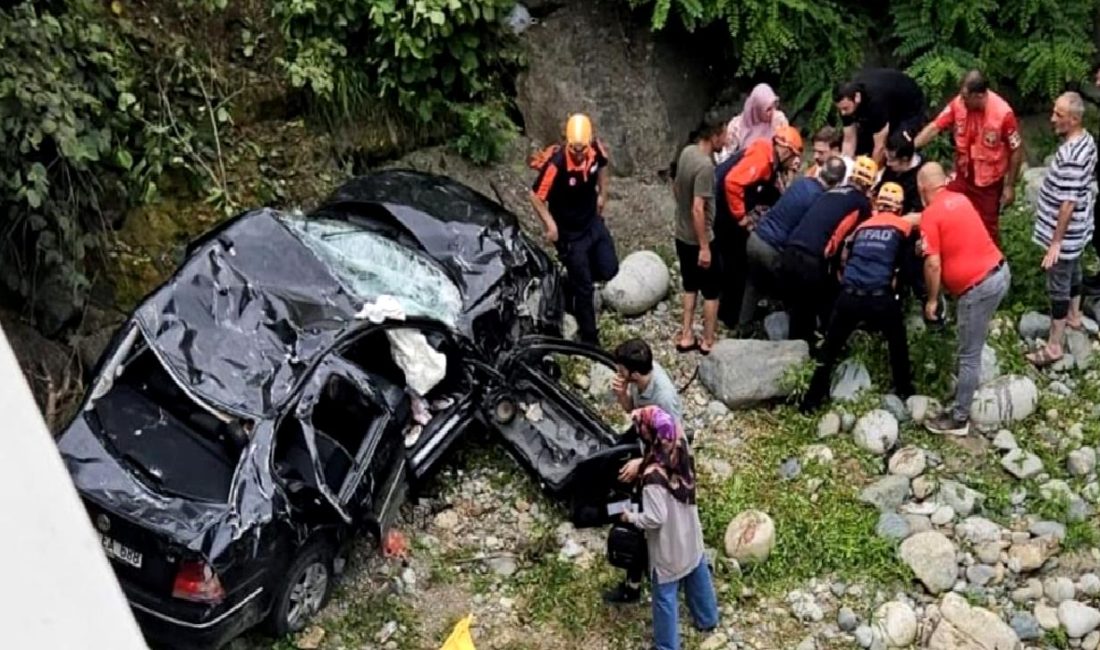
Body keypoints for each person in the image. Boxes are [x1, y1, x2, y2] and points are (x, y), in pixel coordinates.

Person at [800, 183, 917, 412]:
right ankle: (904, 390)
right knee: (897, 342)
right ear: (899, 208)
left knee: (830, 349)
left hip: (849, 296)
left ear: (877, 204)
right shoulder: (903, 227)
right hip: (880, 297)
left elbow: (844, 259)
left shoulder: (862, 228)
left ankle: (811, 401)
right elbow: (906, 267)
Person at [918, 162, 1010, 436]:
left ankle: (959, 418)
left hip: (978, 287)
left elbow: (933, 264)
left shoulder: (931, 215)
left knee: (968, 354)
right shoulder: (959, 199)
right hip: (999, 272)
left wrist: (932, 300)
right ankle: (965, 396)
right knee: (972, 342)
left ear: (923, 188)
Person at [620, 405, 718, 650]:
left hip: (669, 543)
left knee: (664, 594)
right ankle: (707, 619)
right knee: (697, 568)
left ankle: (667, 646)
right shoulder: (679, 444)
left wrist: (631, 517)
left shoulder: (654, 475)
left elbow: (655, 517)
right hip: (690, 530)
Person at [605, 338, 685, 605]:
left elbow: (674, 444)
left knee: (642, 519)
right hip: (646, 446)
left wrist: (642, 463)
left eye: (621, 369)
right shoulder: (641, 381)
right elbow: (634, 413)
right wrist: (622, 397)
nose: (618, 373)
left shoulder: (664, 397)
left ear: (635, 372)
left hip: (660, 464)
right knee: (614, 483)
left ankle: (634, 583)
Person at [530, 114, 619, 346]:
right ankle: (589, 338)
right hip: (569, 232)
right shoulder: (557, 164)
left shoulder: (595, 151)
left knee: (609, 268)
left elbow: (602, 167)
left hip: (591, 222)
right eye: (575, 149)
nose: (579, 153)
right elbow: (536, 197)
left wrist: (602, 194)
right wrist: (551, 226)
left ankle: (572, 281)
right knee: (585, 289)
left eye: (583, 148)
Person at [1026, 92, 1098, 367]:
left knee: (1058, 284)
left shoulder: (1071, 155)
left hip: (1065, 233)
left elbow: (1067, 203)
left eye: (1059, 115)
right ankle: (1075, 315)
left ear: (1075, 119)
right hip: (1079, 229)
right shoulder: (1087, 140)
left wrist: (1055, 242)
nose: (1052, 118)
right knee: (1075, 270)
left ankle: (1054, 345)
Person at [913, 70, 1024, 244]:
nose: (961, 100)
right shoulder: (959, 104)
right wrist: (911, 146)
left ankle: (992, 264)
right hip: (963, 175)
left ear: (979, 95)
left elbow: (1016, 149)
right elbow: (935, 127)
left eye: (965, 97)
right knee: (944, 205)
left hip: (988, 183)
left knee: (988, 227)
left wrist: (1010, 186)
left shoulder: (1003, 114)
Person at [781, 156, 878, 348]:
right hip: (811, 259)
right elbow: (846, 237)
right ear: (871, 184)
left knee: (798, 312)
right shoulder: (862, 204)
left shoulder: (832, 192)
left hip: (790, 251)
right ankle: (808, 357)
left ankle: (793, 353)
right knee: (810, 315)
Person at [715, 125, 804, 330]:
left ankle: (729, 308)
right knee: (735, 262)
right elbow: (732, 183)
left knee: (734, 261)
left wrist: (789, 175)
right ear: (786, 150)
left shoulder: (769, 157)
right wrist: (741, 217)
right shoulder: (762, 159)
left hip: (725, 206)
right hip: (725, 210)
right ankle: (730, 314)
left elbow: (776, 193)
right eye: (794, 157)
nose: (795, 162)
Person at [742, 156, 849, 328]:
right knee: (795, 291)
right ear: (839, 182)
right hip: (774, 249)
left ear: (821, 170)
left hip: (755, 238)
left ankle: (743, 326)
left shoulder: (801, 182)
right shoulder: (820, 200)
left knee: (754, 283)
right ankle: (785, 336)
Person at [672, 115, 729, 354]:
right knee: (711, 291)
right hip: (700, 238)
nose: (726, 139)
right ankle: (707, 339)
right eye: (724, 134)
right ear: (714, 135)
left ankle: (686, 334)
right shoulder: (705, 166)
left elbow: (675, 185)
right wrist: (705, 246)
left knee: (689, 285)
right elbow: (698, 207)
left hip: (681, 234)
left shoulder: (687, 152)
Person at [835, 68, 927, 167]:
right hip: (887, 105)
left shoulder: (875, 103)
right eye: (840, 109)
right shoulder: (846, 105)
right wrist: (845, 166)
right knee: (852, 143)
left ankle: (911, 169)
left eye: (845, 108)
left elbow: (880, 146)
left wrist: (870, 172)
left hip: (909, 108)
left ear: (857, 98)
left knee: (895, 144)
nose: (843, 113)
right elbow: (849, 140)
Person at [715, 83, 789, 163]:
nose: (772, 112)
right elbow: (727, 156)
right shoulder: (737, 126)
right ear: (757, 108)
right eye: (768, 109)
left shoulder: (779, 121)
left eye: (774, 106)